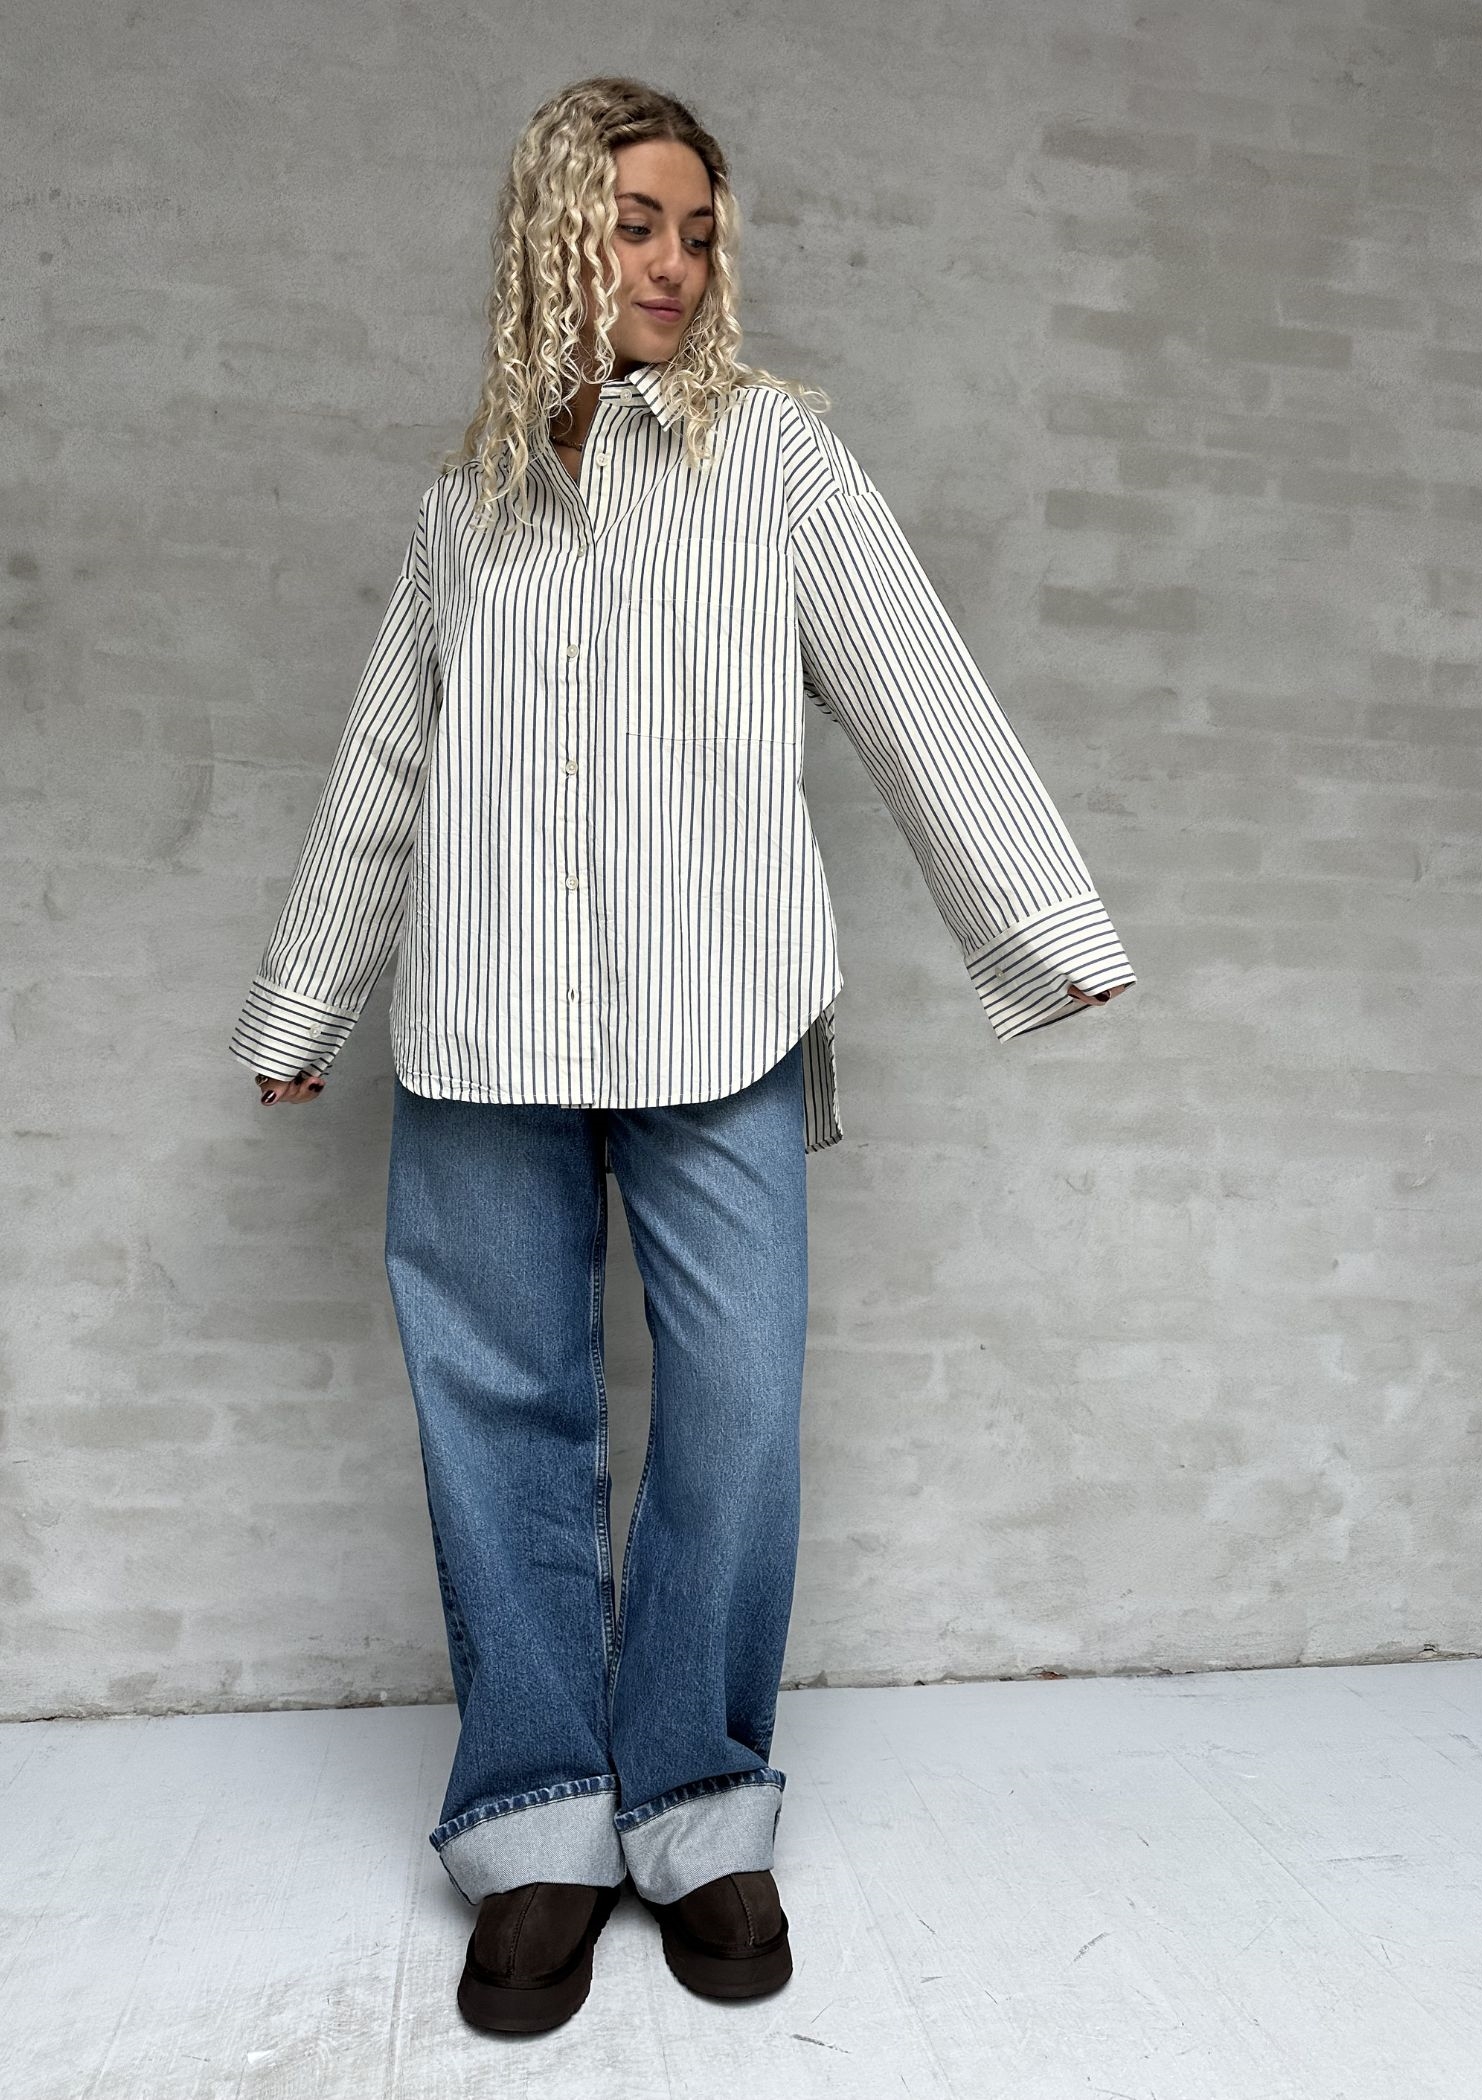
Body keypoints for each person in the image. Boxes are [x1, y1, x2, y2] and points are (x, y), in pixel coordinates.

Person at [230, 76, 1134, 2036]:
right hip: (482, 1019)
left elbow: (916, 685)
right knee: (500, 1414)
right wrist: (303, 1010)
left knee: (734, 1409)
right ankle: (537, 1825)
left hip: (720, 1003)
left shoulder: (776, 461)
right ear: (553, 231)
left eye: (698, 231)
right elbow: (386, 772)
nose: (672, 262)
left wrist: (1046, 926)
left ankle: (701, 1804)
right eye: (635, 221)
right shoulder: (465, 510)